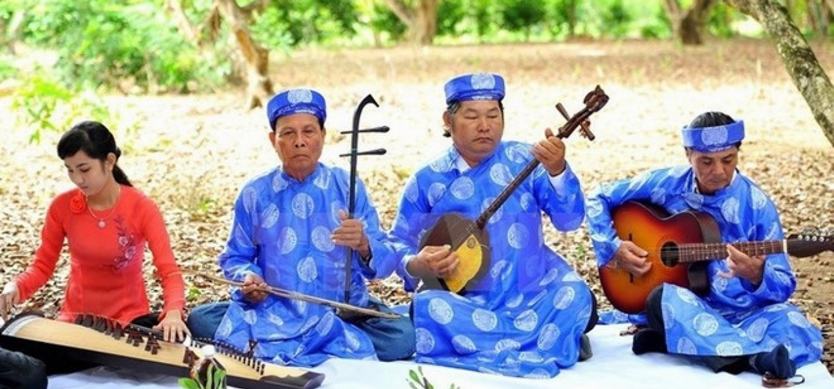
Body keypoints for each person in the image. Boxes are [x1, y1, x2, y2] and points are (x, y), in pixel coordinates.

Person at [585, 112, 823, 380]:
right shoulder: (667, 183)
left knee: (794, 323)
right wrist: (614, 247)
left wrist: (756, 276)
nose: (718, 171)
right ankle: (757, 359)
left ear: (738, 154)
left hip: (742, 311)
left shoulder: (756, 205)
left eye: (728, 160)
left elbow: (783, 285)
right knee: (663, 298)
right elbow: (598, 196)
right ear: (688, 155)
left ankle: (676, 342)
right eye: (706, 162)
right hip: (687, 303)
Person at [186, 88, 415, 366]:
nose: (299, 142)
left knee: (403, 337)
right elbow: (236, 257)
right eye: (288, 133)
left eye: (308, 131)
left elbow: (384, 261)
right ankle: (327, 342)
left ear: (322, 136)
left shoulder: (347, 185)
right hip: (276, 308)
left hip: (341, 310)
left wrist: (365, 245)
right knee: (200, 319)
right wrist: (249, 277)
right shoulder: (255, 193)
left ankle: (296, 339)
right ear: (274, 140)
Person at [390, 73, 597, 378]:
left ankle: (487, 344)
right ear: (448, 120)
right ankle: (549, 341)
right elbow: (398, 242)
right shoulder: (428, 179)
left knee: (576, 296)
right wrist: (416, 262)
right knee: (427, 306)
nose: (485, 126)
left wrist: (557, 171)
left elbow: (570, 221)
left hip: (532, 290)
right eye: (472, 116)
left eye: (493, 115)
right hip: (467, 300)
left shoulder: (527, 159)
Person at [0, 121, 189, 374]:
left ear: (109, 162)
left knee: (176, 342)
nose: (77, 179)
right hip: (76, 325)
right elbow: (42, 266)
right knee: (26, 364)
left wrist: (173, 312)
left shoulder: (142, 207)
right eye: (69, 170)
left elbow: (169, 272)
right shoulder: (62, 207)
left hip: (129, 322)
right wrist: (17, 287)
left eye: (84, 169)